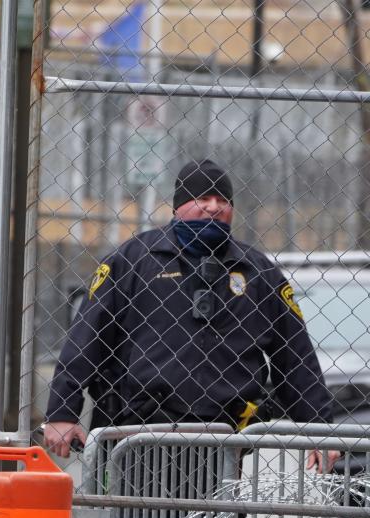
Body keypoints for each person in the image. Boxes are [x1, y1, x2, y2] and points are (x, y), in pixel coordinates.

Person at [43, 159, 338, 473]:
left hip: (224, 444)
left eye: (222, 200)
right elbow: (86, 338)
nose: (213, 207)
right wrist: (63, 410)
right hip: (136, 439)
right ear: (178, 206)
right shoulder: (132, 261)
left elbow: (295, 357)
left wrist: (319, 429)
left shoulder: (258, 272)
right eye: (202, 199)